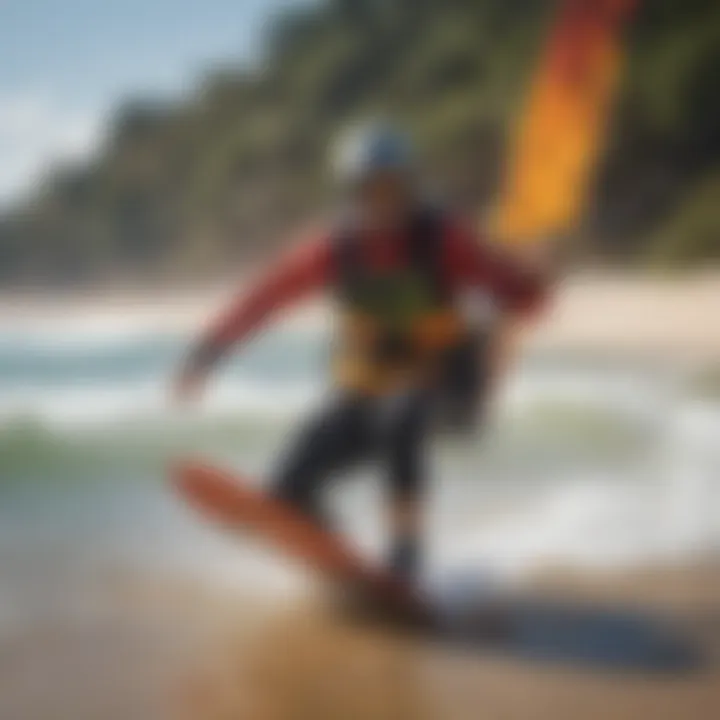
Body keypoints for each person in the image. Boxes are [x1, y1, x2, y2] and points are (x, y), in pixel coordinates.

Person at [172, 121, 547, 583]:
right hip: (368, 385)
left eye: (393, 189)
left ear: (411, 187)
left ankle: (406, 550)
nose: (383, 202)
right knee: (291, 481)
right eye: (370, 190)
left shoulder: (443, 240)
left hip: (447, 386)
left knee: (401, 414)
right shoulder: (332, 250)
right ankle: (319, 526)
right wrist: (205, 357)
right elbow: (262, 299)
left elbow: (522, 297)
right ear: (350, 193)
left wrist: (532, 278)